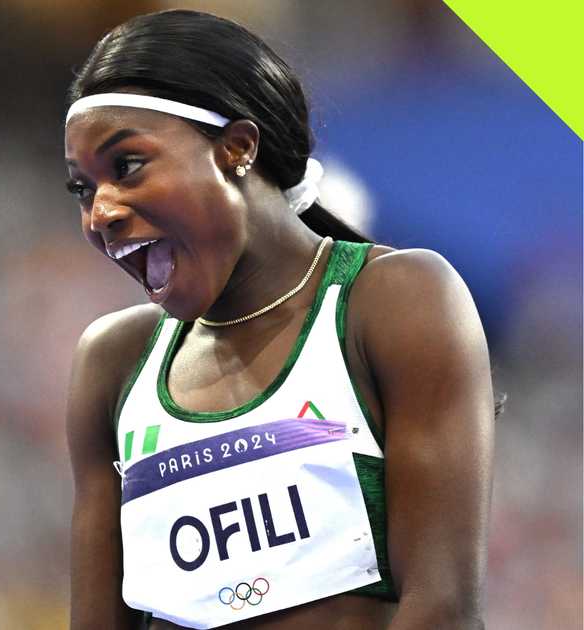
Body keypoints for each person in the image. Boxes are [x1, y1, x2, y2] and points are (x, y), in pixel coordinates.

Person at [63, 10, 495, 630]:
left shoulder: (393, 300)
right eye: (82, 189)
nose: (100, 212)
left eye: (127, 165)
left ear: (237, 147)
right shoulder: (113, 363)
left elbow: (444, 609)